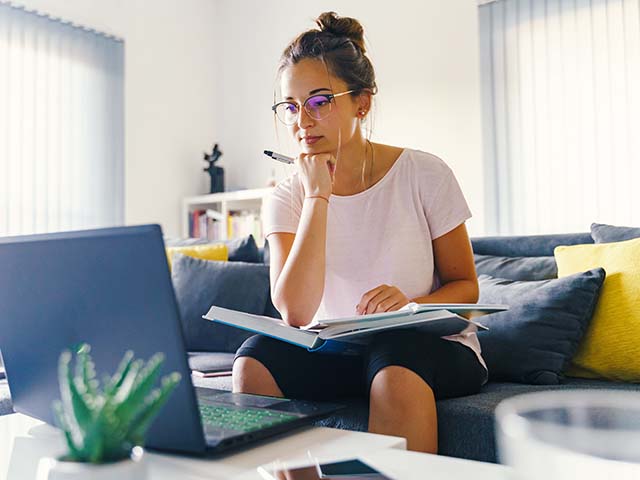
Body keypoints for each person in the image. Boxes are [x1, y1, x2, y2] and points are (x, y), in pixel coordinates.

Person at [232, 11, 486, 454]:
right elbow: (294, 310)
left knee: (394, 359)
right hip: (338, 352)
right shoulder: (286, 195)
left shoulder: (425, 173)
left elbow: (466, 292)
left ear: (362, 103)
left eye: (319, 101)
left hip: (426, 348)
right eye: (290, 106)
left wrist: (410, 304)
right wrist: (317, 196)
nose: (301, 120)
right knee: (253, 358)